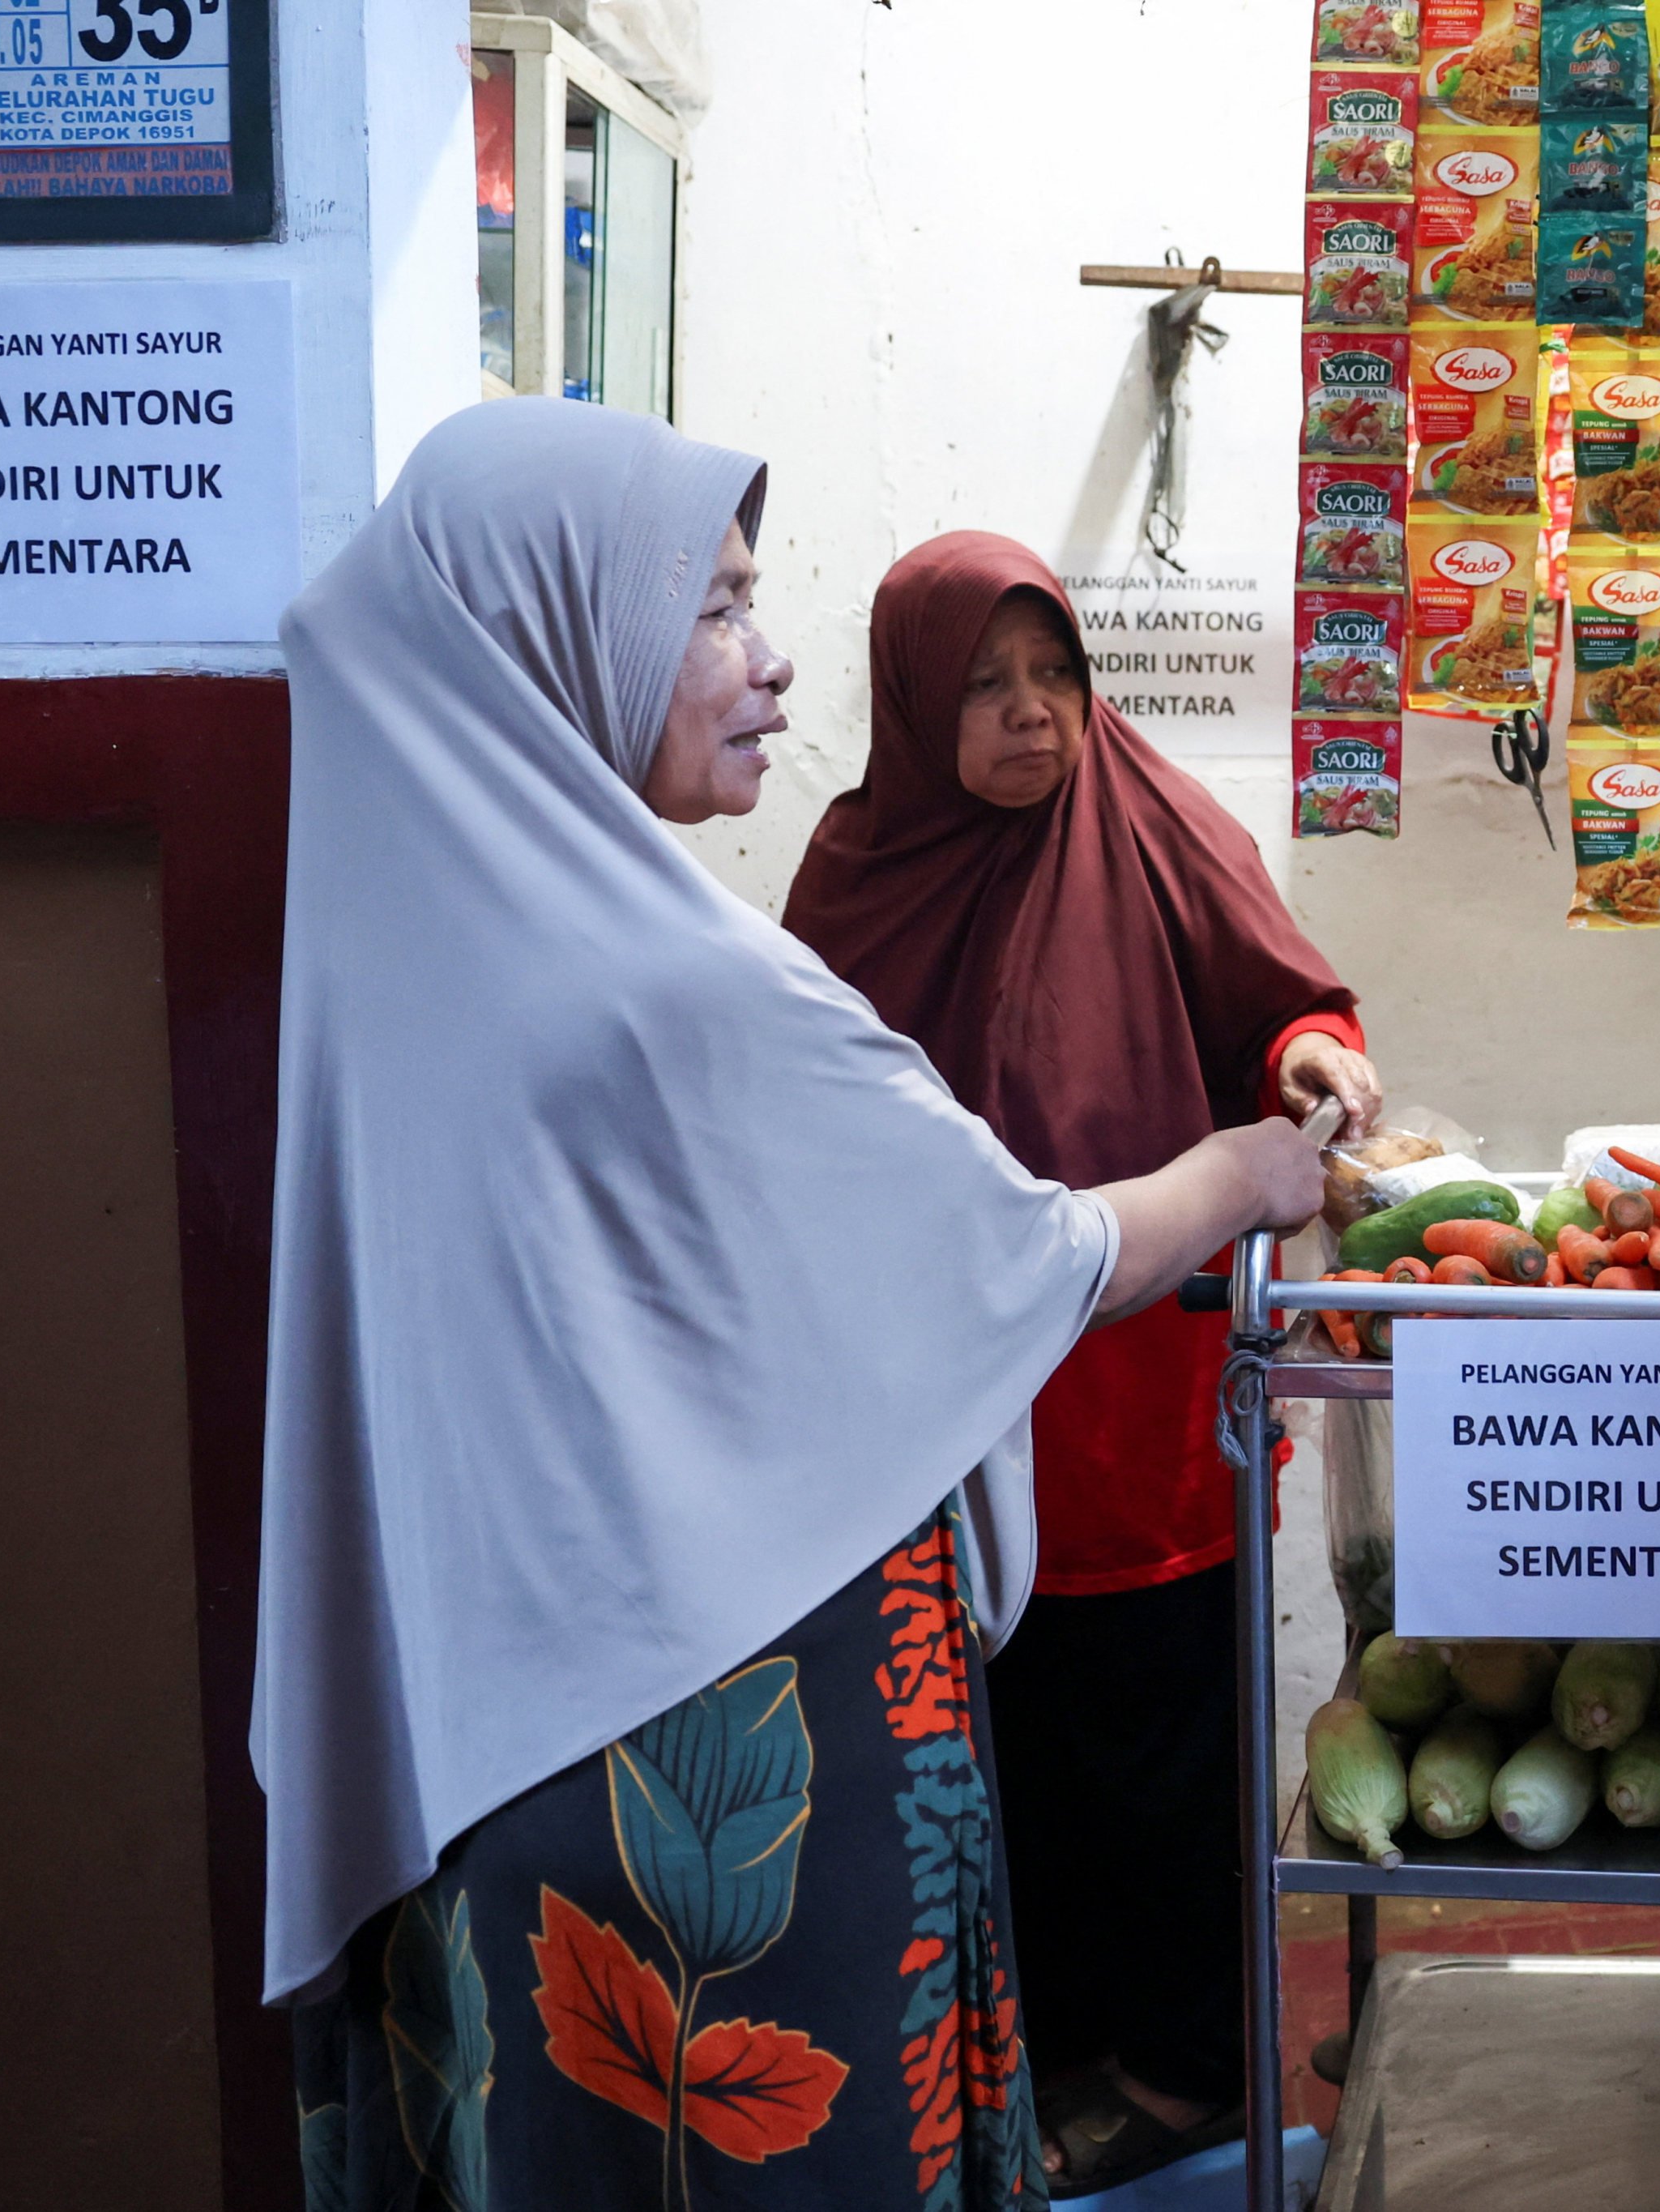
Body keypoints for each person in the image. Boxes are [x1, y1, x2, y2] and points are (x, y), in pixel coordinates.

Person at [258, 402, 1322, 2210]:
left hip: (494, 1732)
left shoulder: (409, 942)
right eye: (719, 610)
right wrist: (1241, 1179)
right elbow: (1015, 1253)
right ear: (555, 623)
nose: (771, 665)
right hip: (721, 1778)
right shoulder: (684, 981)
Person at [783, 532, 1378, 2193]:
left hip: (1137, 1401)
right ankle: (1033, 2061)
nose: (1031, 716)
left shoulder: (1154, 819)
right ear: (913, 704)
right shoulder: (853, 871)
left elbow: (1283, 1004)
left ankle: (1188, 2075)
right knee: (1000, 1749)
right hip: (944, 1402)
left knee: (1164, 1743)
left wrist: (1314, 1048)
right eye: (983, 686)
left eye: (1052, 675)